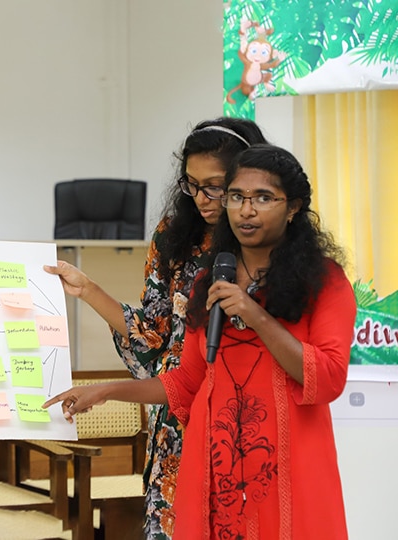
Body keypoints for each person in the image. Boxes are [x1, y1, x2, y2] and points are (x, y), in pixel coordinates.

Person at [44, 144, 355, 539]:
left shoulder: (324, 282)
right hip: (212, 471)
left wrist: (255, 314)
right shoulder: (208, 280)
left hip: (287, 472)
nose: (247, 209)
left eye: (263, 198)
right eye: (237, 197)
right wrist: (106, 390)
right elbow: (187, 383)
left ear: (293, 207)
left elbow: (327, 378)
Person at [44, 117, 267, 538]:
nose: (202, 198)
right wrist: (88, 289)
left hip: (246, 426)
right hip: (176, 423)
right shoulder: (173, 237)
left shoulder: (267, 245)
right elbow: (151, 338)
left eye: (215, 186)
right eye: (191, 184)